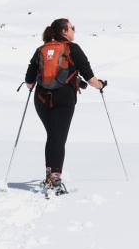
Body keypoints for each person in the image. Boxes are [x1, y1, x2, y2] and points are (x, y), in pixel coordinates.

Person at [25, 17, 106, 192]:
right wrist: (101, 85)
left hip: (41, 99)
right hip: (64, 98)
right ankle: (55, 178)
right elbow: (91, 79)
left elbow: (29, 82)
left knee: (52, 136)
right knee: (58, 137)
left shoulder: (42, 49)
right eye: (72, 28)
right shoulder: (73, 49)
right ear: (64, 32)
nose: (73, 31)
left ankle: (49, 174)